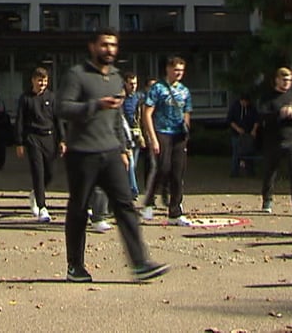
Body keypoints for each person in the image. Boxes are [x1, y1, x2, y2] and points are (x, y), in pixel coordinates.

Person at [56, 27, 169, 282]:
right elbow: (63, 108)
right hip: (82, 154)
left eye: (113, 45)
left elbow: (117, 118)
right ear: (92, 47)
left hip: (110, 153)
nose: (109, 50)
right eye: (104, 45)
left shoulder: (118, 77)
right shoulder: (77, 75)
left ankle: (140, 263)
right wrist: (95, 105)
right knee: (79, 209)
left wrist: (122, 148)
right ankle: (75, 267)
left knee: (125, 206)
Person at [141, 56, 193, 225]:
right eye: (176, 70)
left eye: (182, 70)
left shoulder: (184, 90)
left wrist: (186, 129)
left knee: (178, 172)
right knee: (163, 168)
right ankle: (149, 202)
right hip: (162, 131)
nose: (179, 73)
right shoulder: (158, 88)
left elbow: (187, 111)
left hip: (178, 134)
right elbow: (147, 113)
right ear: (168, 69)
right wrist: (152, 138)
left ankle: (175, 211)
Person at [257, 67, 292, 216]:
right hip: (273, 141)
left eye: (290, 80)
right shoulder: (267, 98)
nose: (287, 83)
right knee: (270, 172)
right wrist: (279, 114)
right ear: (277, 80)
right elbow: (261, 117)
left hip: (291, 140)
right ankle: (267, 200)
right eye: (284, 80)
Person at [16, 65, 64, 222]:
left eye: (44, 81)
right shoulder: (25, 98)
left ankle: (36, 193)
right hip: (32, 138)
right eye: (39, 81)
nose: (42, 84)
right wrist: (19, 142)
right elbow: (20, 122)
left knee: (50, 173)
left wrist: (62, 140)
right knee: (38, 171)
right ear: (33, 81)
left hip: (49, 138)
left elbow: (58, 120)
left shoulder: (52, 97)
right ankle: (42, 207)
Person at [120, 71, 144, 199]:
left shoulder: (139, 97)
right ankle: (133, 190)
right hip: (124, 135)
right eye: (131, 84)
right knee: (129, 162)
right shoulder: (121, 98)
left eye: (135, 83)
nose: (133, 86)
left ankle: (129, 188)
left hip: (136, 135)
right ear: (125, 83)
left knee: (132, 166)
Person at [226, 94, 258, 177]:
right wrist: (237, 129)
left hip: (248, 134)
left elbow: (256, 120)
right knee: (236, 152)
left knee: (249, 152)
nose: (245, 104)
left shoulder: (252, 108)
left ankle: (250, 172)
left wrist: (254, 130)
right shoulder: (234, 107)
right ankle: (234, 172)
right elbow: (230, 120)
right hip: (236, 134)